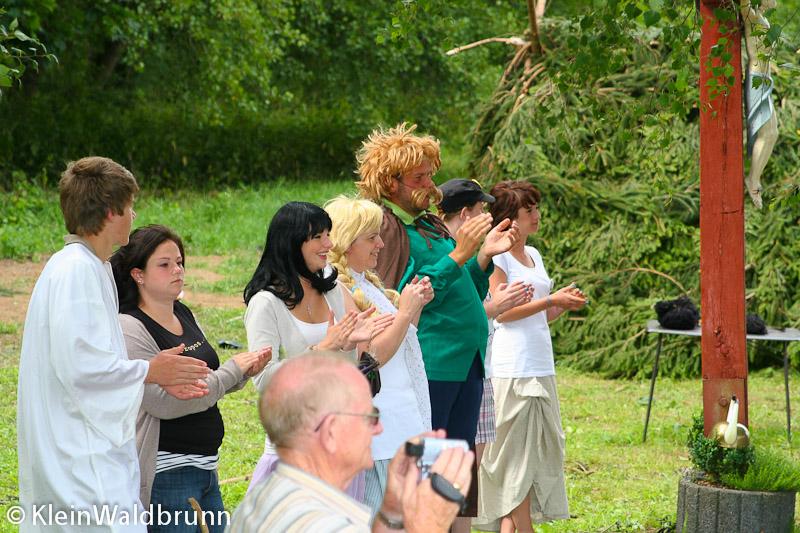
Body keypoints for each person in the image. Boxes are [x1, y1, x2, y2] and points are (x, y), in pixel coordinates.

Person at [17, 157, 211, 533]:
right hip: (80, 464)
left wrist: (152, 373)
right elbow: (82, 370)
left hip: (84, 455)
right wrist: (151, 370)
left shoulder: (93, 265)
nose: (134, 215)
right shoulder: (76, 271)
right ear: (110, 212)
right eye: (130, 206)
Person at [110, 224, 271, 532]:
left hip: (206, 467)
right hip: (168, 473)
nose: (177, 270)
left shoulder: (183, 312)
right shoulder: (130, 327)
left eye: (179, 262)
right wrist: (232, 371)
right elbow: (163, 402)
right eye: (164, 264)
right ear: (138, 274)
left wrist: (243, 373)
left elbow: (206, 381)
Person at [227, 352, 474, 533]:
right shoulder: (323, 524)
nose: (379, 428)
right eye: (370, 416)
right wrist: (429, 524)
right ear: (331, 432)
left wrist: (392, 511)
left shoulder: (270, 497)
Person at [242, 201, 393, 496]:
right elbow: (263, 379)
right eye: (318, 237)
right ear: (292, 243)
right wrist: (323, 348)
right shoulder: (266, 303)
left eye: (328, 234)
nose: (329, 244)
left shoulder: (331, 289)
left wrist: (349, 345)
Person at [477, 180, 586, 533]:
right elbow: (503, 313)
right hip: (513, 367)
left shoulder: (534, 255)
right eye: (529, 210)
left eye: (536, 208)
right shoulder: (499, 259)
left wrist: (561, 304)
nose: (536, 215)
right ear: (509, 219)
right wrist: (551, 300)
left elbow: (539, 315)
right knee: (516, 460)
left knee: (535, 455)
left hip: (541, 362)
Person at [325, 195, 435, 515]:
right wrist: (405, 313)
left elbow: (399, 342)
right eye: (372, 237)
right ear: (347, 243)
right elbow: (368, 361)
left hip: (402, 415)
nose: (381, 245)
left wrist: (414, 308)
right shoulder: (338, 289)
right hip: (382, 427)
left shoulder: (366, 283)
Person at [437, 179, 533, 529]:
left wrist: (484, 257)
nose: (487, 216)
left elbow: (471, 300)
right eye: (481, 210)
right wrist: (497, 306)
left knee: (466, 470)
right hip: (446, 371)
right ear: (465, 214)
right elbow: (439, 306)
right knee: (442, 468)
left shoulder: (463, 253)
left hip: (474, 368)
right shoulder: (442, 252)